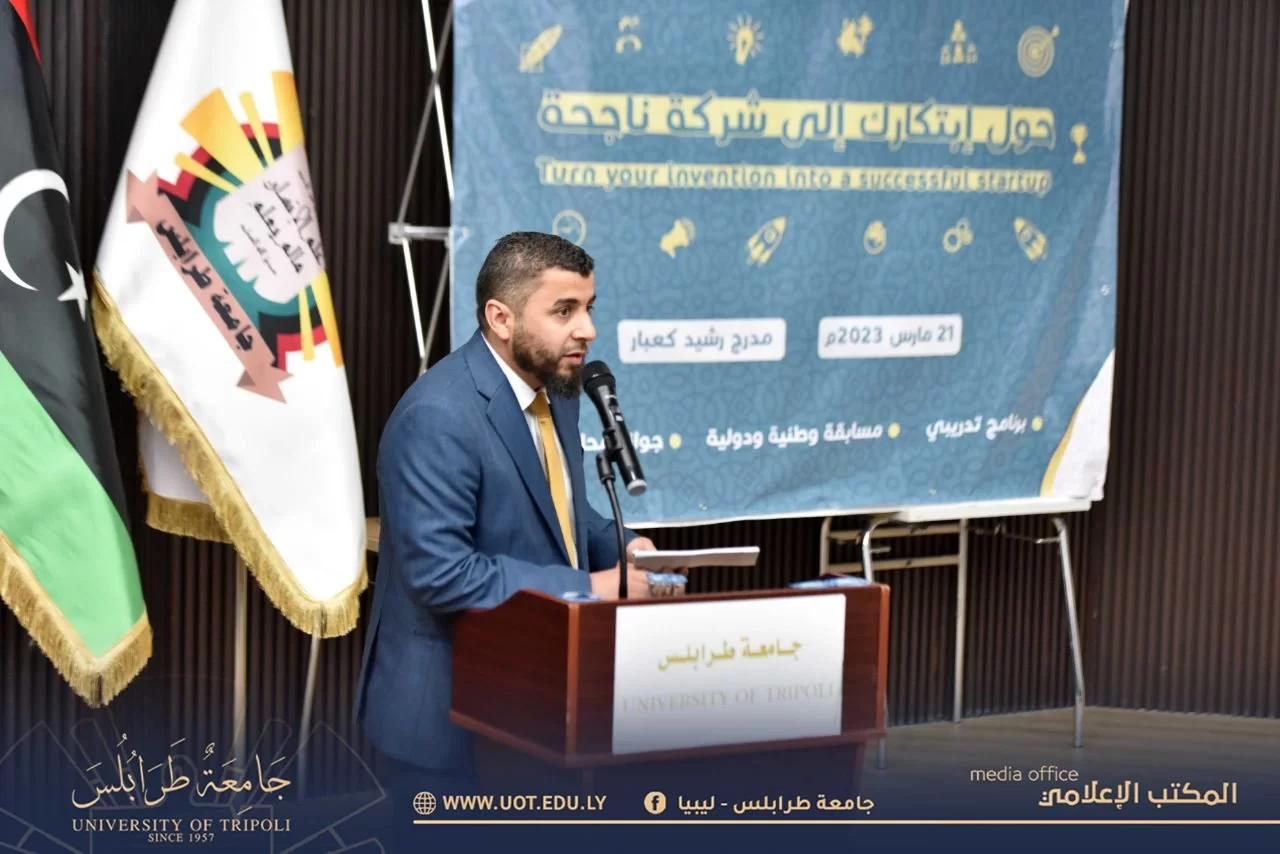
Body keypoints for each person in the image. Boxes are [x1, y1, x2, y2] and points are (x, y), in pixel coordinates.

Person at [354, 232, 660, 795]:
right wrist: (590, 587)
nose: (587, 329)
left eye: (589, 308)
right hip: (452, 719)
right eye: (564, 311)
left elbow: (560, 510)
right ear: (501, 317)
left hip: (537, 701)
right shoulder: (437, 416)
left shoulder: (558, 391)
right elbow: (441, 574)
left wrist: (626, 545)